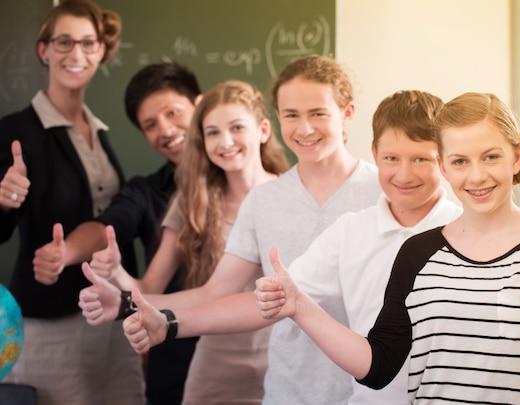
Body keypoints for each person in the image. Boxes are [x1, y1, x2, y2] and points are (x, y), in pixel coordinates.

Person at [80, 54, 382, 405]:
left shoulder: (384, 191)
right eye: (292, 115)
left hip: (369, 390)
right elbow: (216, 293)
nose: (304, 129)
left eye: (318, 113)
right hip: (288, 390)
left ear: (346, 113)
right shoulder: (264, 201)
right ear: (277, 118)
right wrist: (126, 304)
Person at [256, 92, 520, 404]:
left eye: (490, 157)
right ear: (444, 167)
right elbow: (378, 366)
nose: (476, 176)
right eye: (460, 161)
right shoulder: (417, 254)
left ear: (517, 156)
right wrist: (299, 305)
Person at [84, 79, 290, 404]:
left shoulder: (293, 196)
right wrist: (118, 277)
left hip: (286, 357)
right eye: (212, 132)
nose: (225, 141)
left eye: (237, 127)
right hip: (215, 361)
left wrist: (125, 300)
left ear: (263, 130)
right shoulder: (191, 202)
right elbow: (152, 285)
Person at [32, 60, 203, 405]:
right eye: (150, 125)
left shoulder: (253, 184)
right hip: (172, 354)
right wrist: (67, 252)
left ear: (200, 106)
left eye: (173, 112)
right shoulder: (146, 192)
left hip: (254, 349)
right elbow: (107, 226)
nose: (166, 130)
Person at [0, 1, 144, 404]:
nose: (76, 54)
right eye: (64, 42)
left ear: (101, 51)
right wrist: (5, 202)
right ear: (44, 49)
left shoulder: (99, 131)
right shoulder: (15, 131)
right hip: (51, 319)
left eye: (87, 43)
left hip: (112, 312)